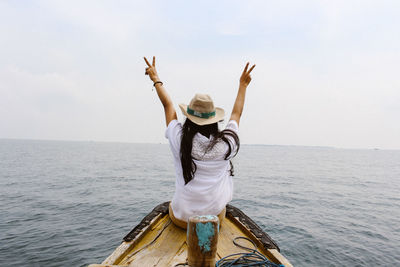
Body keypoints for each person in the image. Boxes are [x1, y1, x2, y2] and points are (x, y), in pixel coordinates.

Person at [144, 56, 255, 229]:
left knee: (174, 208)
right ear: (213, 120)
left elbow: (168, 106)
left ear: (188, 118)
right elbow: (236, 114)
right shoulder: (227, 144)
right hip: (213, 220)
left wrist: (155, 78)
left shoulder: (179, 139)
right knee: (222, 209)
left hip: (182, 220)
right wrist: (243, 85)